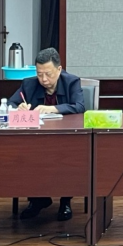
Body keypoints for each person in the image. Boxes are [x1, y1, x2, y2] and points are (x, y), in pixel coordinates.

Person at [8, 47, 85, 221]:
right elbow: (10, 103)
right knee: (27, 156)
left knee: (68, 158)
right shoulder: (29, 84)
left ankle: (65, 201)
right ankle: (38, 200)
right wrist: (19, 107)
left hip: (67, 138)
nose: (43, 79)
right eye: (39, 74)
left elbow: (80, 106)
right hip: (37, 139)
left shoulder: (72, 81)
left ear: (59, 69)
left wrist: (53, 108)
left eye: (48, 74)